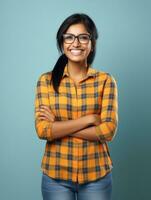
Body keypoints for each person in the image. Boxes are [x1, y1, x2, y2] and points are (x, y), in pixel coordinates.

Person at [34, 13, 118, 200]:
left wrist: (59, 125)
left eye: (83, 37)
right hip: (56, 177)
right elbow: (43, 130)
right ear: (62, 42)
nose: (76, 43)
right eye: (69, 37)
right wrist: (87, 120)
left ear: (92, 43)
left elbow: (108, 131)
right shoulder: (46, 81)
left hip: (97, 175)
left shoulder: (105, 81)